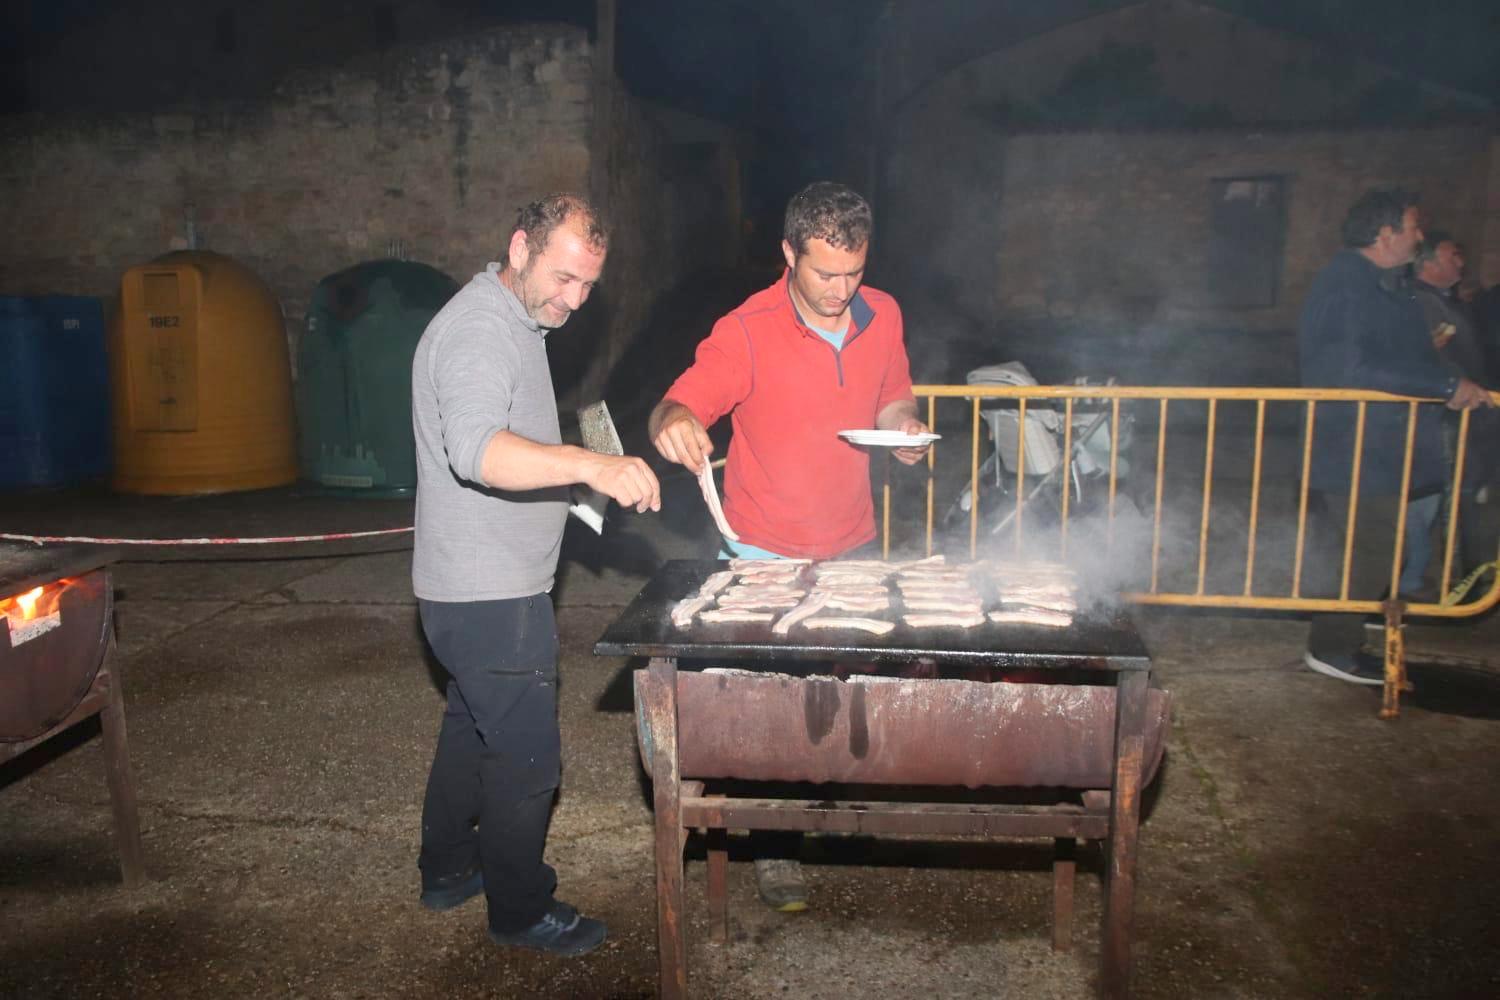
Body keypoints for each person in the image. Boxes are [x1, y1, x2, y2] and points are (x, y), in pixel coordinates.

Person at [648, 181, 929, 910]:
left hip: (854, 545)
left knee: (846, 696)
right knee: (775, 712)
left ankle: (835, 816)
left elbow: (894, 392)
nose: (841, 290)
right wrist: (675, 422)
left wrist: (902, 428)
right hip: (765, 554)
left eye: (854, 273)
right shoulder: (747, 328)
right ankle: (775, 850)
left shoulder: (884, 313)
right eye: (823, 273)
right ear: (787, 254)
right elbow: (680, 401)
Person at [410, 193, 661, 956]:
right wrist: (592, 464)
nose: (574, 299)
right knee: (527, 760)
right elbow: (478, 451)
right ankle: (521, 909)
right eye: (563, 277)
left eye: (588, 285)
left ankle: (448, 869)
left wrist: (571, 478)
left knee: (472, 733)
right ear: (520, 246)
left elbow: (510, 439)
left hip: (472, 589)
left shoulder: (516, 317)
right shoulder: (481, 329)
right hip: (489, 595)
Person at [1298, 189, 1491, 685]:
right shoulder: (1348, 284)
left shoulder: (1381, 283)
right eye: (1412, 227)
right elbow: (1348, 365)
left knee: (1378, 546)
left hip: (1381, 445)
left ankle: (1342, 636)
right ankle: (1334, 650)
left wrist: (1447, 379)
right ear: (1385, 235)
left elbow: (1405, 355)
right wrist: (1444, 385)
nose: (1420, 237)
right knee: (1369, 548)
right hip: (1358, 444)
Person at [1408, 232, 1500, 589]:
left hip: (1466, 418)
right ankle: (1448, 584)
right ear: (1429, 263)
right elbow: (1436, 359)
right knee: (1444, 503)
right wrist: (1456, 388)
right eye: (1453, 255)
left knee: (1453, 502)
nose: (1461, 262)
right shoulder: (1422, 302)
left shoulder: (1449, 301)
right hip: (1445, 420)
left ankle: (1450, 580)